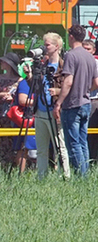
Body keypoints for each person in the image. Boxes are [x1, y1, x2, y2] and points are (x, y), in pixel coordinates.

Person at [57, 24, 98, 176]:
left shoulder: (70, 55)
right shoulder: (90, 57)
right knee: (83, 142)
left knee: (73, 143)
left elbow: (68, 81)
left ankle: (80, 176)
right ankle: (85, 174)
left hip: (72, 104)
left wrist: (59, 102)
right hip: (86, 103)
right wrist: (86, 89)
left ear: (71, 37)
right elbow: (96, 83)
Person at [35, 32, 70, 179]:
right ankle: (41, 176)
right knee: (41, 148)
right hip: (40, 109)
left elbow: (70, 87)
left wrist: (58, 91)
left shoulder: (64, 66)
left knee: (60, 146)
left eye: (47, 44)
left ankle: (65, 176)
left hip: (54, 109)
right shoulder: (43, 65)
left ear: (57, 46)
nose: (45, 47)